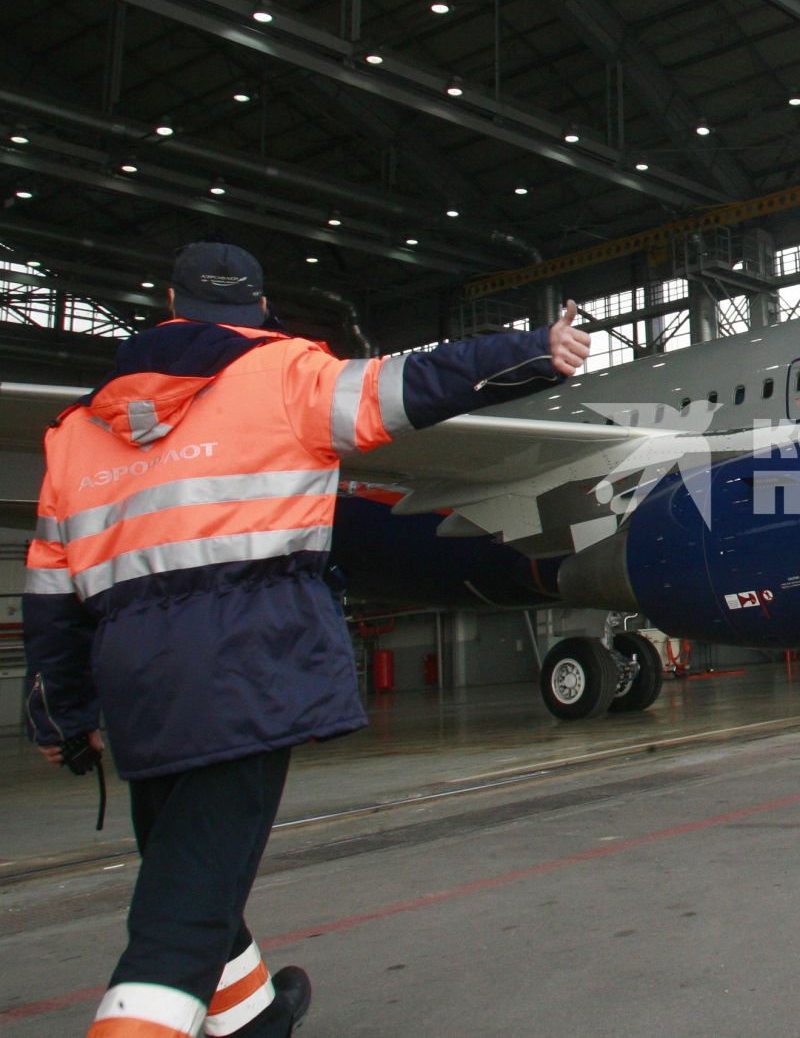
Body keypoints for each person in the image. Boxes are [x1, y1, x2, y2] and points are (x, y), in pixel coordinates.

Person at [24, 240, 592, 1038]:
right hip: (248, 670)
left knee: (189, 870)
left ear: (170, 301)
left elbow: (52, 596)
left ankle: (259, 1021)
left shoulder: (76, 430)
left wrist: (61, 712)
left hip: (139, 688)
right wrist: (534, 351)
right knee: (177, 920)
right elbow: (416, 381)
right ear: (258, 306)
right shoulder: (288, 373)